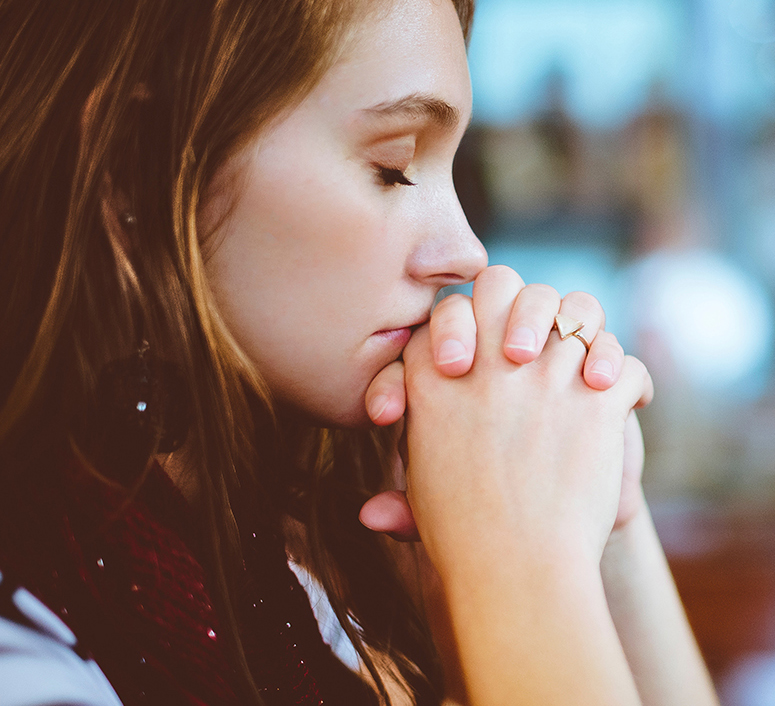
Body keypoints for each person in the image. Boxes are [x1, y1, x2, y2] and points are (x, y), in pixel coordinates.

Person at [0, 0, 719, 704]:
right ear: (136, 165)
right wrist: (521, 565)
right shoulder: (29, 646)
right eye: (394, 167)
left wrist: (603, 519)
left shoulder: (295, 565)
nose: (466, 253)